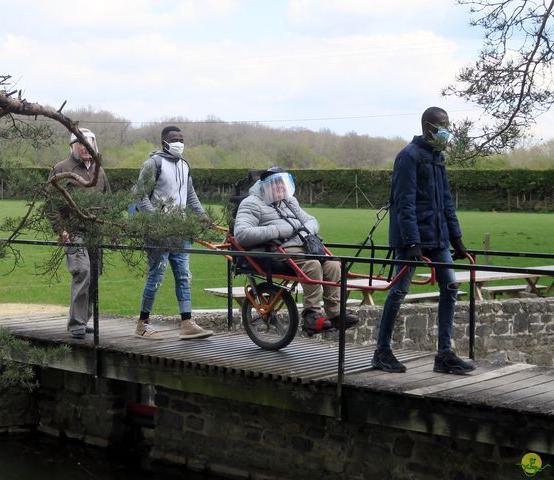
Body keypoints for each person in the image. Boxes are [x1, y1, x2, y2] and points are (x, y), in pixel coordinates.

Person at [371, 107, 475, 374]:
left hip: (438, 238)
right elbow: (404, 203)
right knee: (399, 290)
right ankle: (381, 351)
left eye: (448, 124)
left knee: (450, 287)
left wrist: (457, 239)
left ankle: (444, 354)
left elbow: (446, 203)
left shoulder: (438, 157)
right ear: (428, 127)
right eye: (443, 125)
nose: (447, 129)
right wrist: (412, 242)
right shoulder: (408, 157)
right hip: (411, 239)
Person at [233, 166, 359, 334]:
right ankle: (311, 316)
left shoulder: (289, 201)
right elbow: (241, 234)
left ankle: (335, 314)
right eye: (276, 184)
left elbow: (312, 221)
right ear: (266, 186)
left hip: (302, 247)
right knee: (312, 265)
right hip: (276, 250)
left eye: (283, 184)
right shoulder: (251, 204)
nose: (281, 188)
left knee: (333, 265)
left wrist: (302, 229)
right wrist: (278, 230)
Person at [133, 125, 213, 340]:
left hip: (181, 231)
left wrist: (204, 217)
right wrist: (156, 221)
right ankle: (142, 323)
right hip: (158, 233)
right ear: (164, 142)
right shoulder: (153, 164)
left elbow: (190, 195)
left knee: (184, 277)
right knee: (156, 277)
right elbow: (140, 198)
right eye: (174, 139)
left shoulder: (185, 165)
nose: (179, 142)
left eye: (181, 138)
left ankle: (187, 322)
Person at [47, 128, 111, 339]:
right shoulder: (61, 169)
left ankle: (83, 320)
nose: (86, 147)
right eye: (81, 143)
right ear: (73, 145)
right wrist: (61, 230)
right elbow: (51, 205)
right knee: (82, 272)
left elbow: (108, 200)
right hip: (73, 232)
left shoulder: (99, 171)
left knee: (93, 277)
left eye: (89, 143)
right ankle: (76, 325)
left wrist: (110, 227)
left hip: (96, 233)